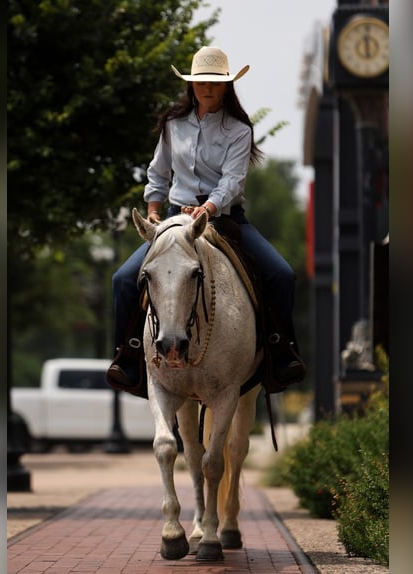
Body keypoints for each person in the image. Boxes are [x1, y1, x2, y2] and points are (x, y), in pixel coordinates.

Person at [107, 46, 305, 395]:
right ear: (191, 85)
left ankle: (280, 351)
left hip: (227, 219)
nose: (207, 88)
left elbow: (232, 181)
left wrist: (208, 208)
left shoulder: (239, 130)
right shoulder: (172, 125)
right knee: (123, 279)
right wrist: (153, 212)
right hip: (172, 221)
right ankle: (128, 356)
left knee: (282, 275)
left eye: (215, 82)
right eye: (201, 82)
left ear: (227, 86)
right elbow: (157, 174)